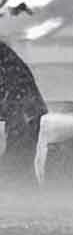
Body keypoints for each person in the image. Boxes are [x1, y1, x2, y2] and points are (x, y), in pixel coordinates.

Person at [0, 41, 47, 189]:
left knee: (17, 167)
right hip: (25, 107)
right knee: (19, 166)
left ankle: (22, 199)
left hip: (23, 110)